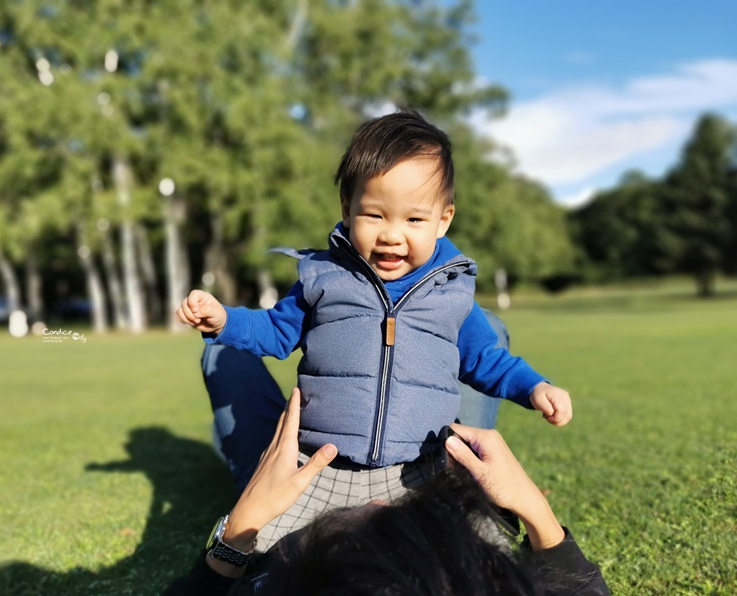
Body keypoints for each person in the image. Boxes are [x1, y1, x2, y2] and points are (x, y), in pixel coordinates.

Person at [177, 110, 573, 548]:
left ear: (444, 220)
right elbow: (274, 330)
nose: (391, 236)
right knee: (259, 546)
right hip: (321, 467)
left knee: (483, 549)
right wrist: (225, 319)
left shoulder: (451, 293)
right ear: (347, 210)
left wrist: (535, 387)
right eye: (374, 215)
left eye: (414, 220)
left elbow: (486, 358)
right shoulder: (322, 277)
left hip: (420, 472)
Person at [163, 389, 612, 596]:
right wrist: (533, 508)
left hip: (284, 511)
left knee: (226, 349)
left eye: (361, 540)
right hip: (433, 488)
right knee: (480, 333)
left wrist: (240, 529)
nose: (380, 506)